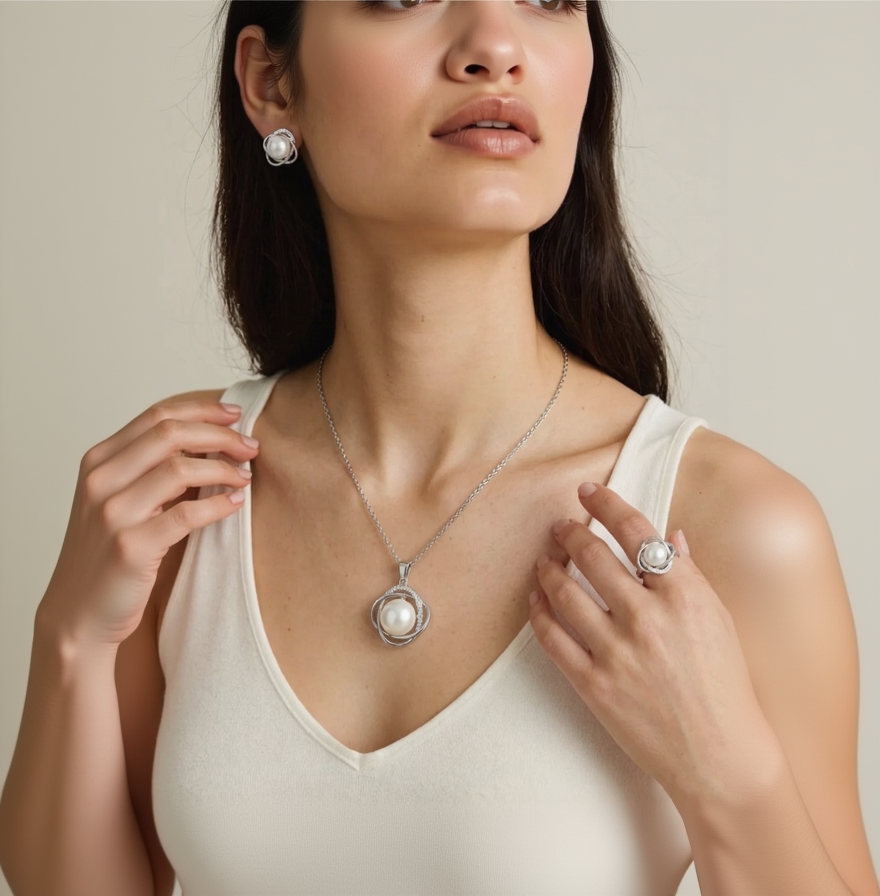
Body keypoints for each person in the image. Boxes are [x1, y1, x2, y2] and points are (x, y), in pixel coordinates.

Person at [1, 1, 878, 894]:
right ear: (272, 83)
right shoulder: (182, 485)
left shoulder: (728, 526)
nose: (496, 48)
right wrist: (70, 637)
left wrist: (728, 775)